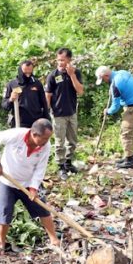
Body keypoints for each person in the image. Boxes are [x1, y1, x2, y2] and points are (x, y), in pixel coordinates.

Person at [0, 119, 60, 252]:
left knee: (43, 209)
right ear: (34, 134)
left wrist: (33, 187)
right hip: (8, 181)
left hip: (28, 183)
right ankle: (2, 242)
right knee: (4, 212)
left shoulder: (46, 146)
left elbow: (40, 168)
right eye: (44, 138)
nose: (46, 142)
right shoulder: (16, 135)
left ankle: (54, 239)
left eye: (48, 139)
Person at [95, 66, 133, 169]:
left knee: (126, 133)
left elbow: (115, 107)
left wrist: (108, 111)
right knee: (127, 132)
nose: (104, 81)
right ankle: (128, 157)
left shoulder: (115, 84)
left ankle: (129, 161)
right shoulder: (122, 72)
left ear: (106, 75)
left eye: (103, 79)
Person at [45, 48, 85, 176]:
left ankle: (68, 162)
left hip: (72, 112)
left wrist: (72, 75)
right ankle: (60, 165)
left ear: (69, 60)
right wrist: (47, 111)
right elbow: (48, 95)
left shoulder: (76, 73)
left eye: (62, 60)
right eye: (58, 60)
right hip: (58, 114)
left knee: (72, 141)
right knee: (59, 142)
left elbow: (80, 91)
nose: (60, 62)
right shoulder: (53, 75)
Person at [1, 60, 49, 129]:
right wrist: (11, 99)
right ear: (20, 70)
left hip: (36, 122)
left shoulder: (37, 83)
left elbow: (44, 103)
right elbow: (4, 106)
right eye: (25, 72)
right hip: (19, 122)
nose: (27, 75)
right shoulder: (11, 84)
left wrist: (46, 120)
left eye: (30, 72)